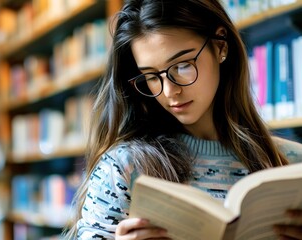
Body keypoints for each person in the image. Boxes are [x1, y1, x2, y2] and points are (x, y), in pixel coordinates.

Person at [63, 0, 302, 239]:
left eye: (183, 65)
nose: (169, 92)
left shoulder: (291, 166)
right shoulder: (123, 167)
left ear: (220, 46)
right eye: (151, 76)